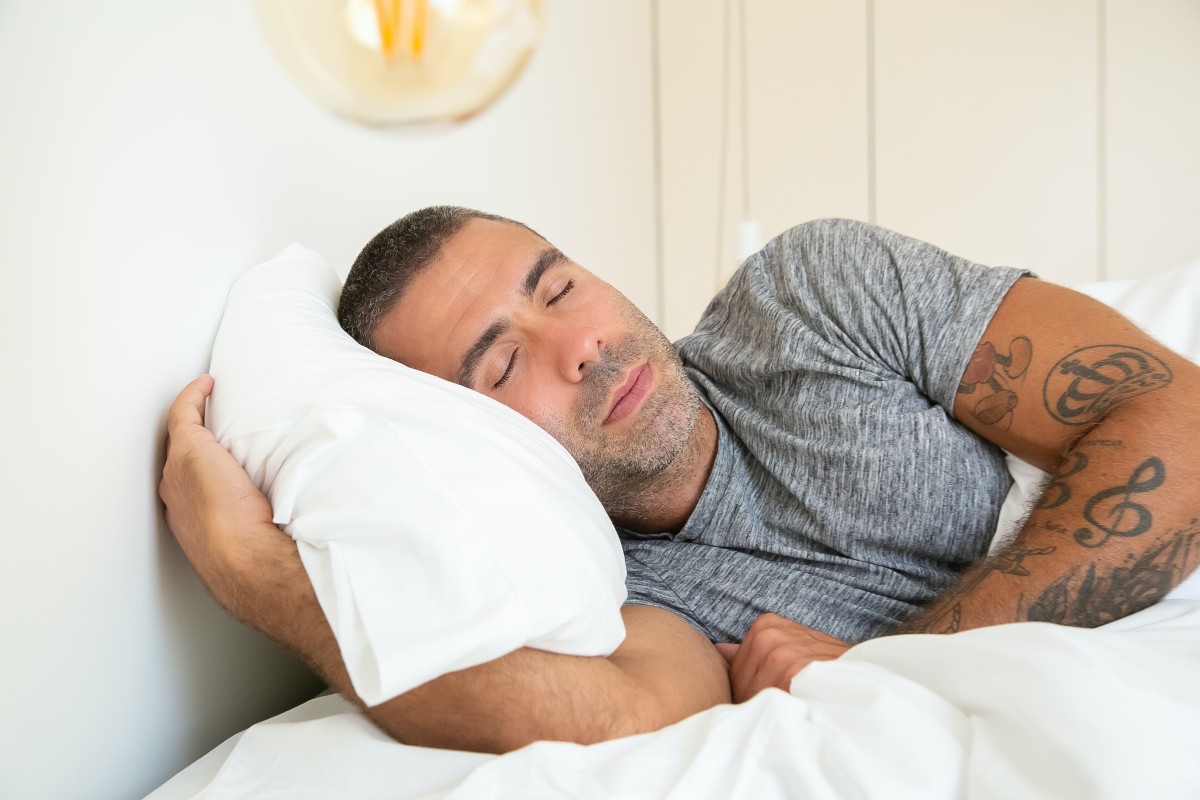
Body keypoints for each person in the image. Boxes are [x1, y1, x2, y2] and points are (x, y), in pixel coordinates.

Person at [160, 208, 1200, 754]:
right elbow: (613, 719)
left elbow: (1179, 415)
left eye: (559, 286)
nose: (579, 345)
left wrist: (901, 660)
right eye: (501, 362)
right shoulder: (627, 599)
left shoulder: (810, 294)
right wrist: (263, 577)